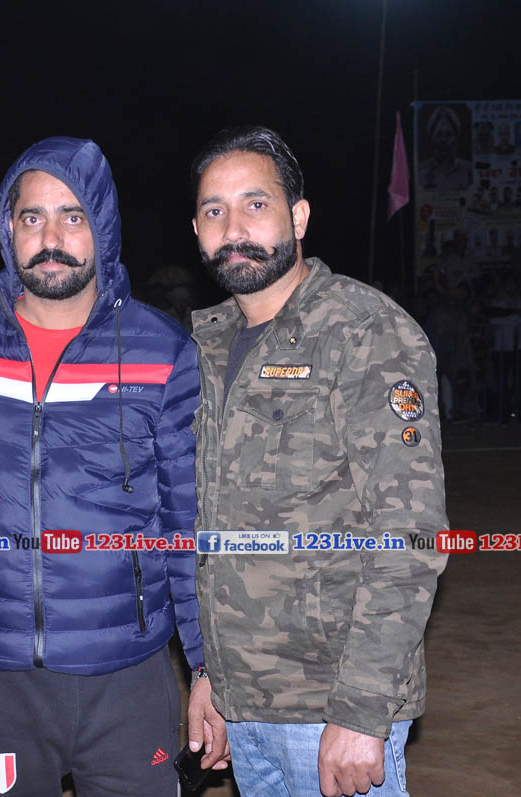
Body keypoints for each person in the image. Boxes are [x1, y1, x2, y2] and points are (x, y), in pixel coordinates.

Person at [0, 137, 214, 796]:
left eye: (72, 216)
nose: (52, 237)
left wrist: (207, 666)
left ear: (103, 227)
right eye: (33, 217)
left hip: (128, 668)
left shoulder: (161, 351)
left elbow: (187, 522)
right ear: (8, 228)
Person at [186, 125, 448, 797]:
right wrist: (211, 675)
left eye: (255, 204)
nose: (234, 228)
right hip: (244, 702)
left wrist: (361, 709)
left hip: (331, 706)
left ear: (298, 217)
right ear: (197, 230)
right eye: (214, 210)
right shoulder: (206, 347)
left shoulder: (362, 331)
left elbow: (410, 534)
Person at [419, 106, 471, 191]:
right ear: (431, 139)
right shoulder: (420, 172)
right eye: (438, 135)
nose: (443, 140)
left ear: (456, 138)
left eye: (449, 134)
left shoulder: (469, 170)